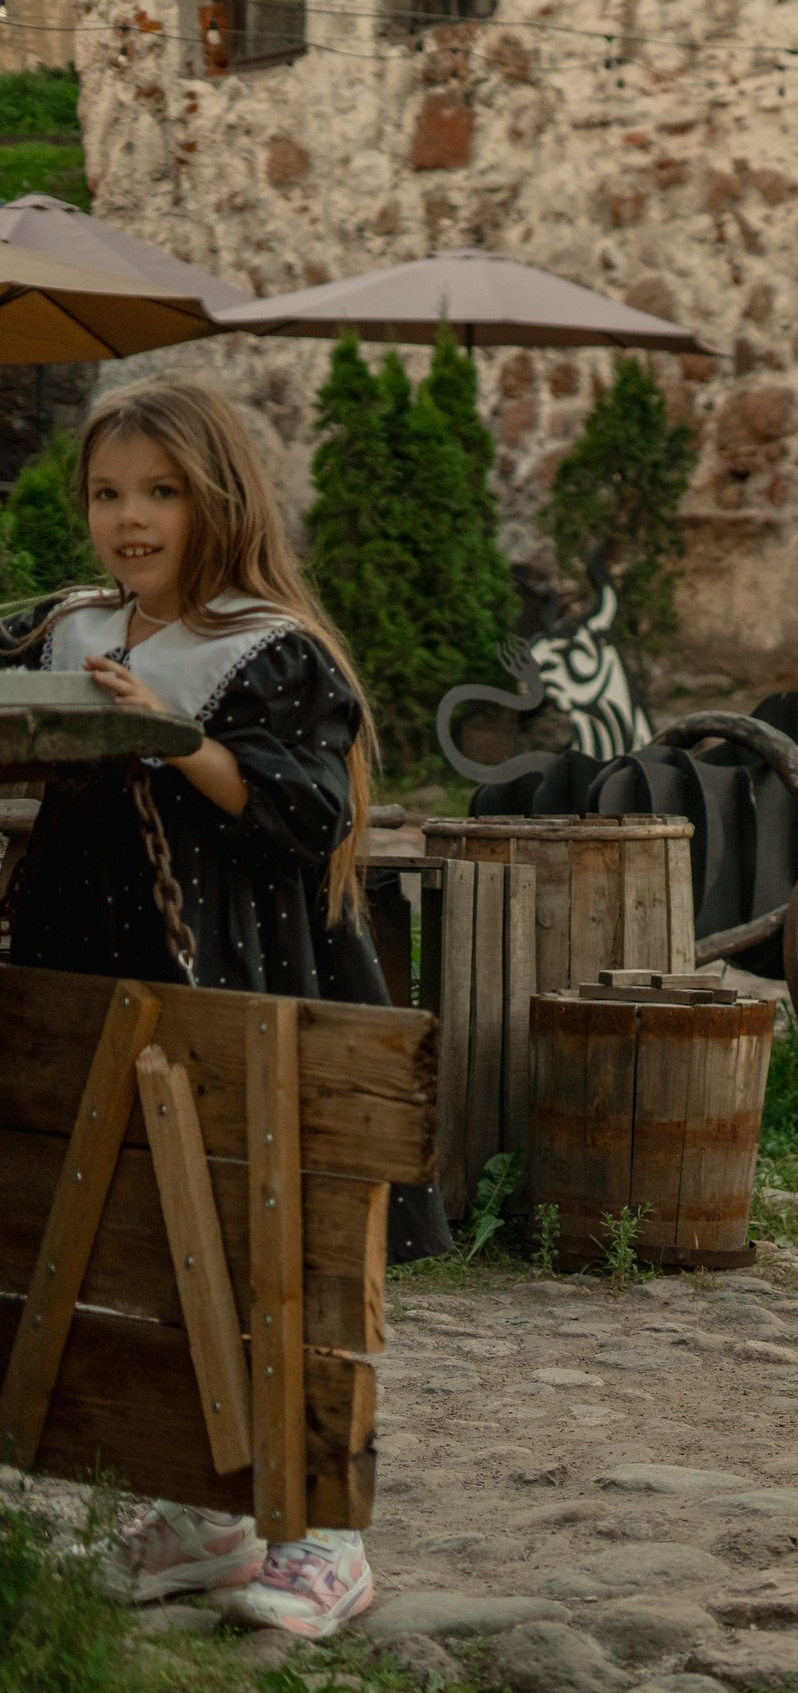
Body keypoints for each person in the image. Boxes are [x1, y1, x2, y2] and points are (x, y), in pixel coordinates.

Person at [0, 377, 448, 1636]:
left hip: (239, 992)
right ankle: (203, 1520)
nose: (128, 520)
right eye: (106, 493)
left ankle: (328, 1541)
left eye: (160, 493)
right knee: (141, 1245)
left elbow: (312, 812)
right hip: (88, 984)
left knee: (273, 1253)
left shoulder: (270, 649)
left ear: (219, 500)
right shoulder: (70, 627)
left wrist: (176, 735)